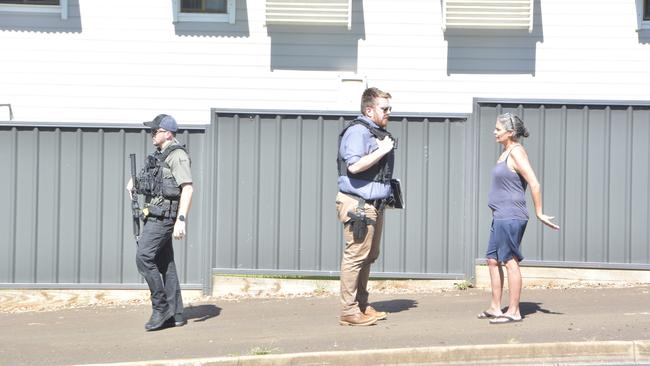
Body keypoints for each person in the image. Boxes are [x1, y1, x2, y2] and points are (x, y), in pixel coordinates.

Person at [478, 112, 560, 324]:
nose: (494, 132)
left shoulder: (516, 152)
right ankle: (496, 307)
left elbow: (534, 183)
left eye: (498, 129)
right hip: (500, 215)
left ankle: (514, 311)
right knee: (492, 260)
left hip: (511, 215)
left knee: (509, 261)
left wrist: (539, 212)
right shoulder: (505, 152)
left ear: (510, 132)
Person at [126, 114, 194, 331]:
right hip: (154, 214)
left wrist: (181, 219)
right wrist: (134, 182)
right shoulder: (160, 154)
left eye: (155, 131)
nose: (152, 134)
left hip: (164, 217)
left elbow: (188, 188)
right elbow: (153, 178)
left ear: (168, 133)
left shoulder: (177, 155)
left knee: (144, 258)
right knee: (166, 264)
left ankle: (161, 307)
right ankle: (177, 313)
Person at [336, 87, 397, 326]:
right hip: (358, 205)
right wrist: (382, 150)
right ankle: (349, 311)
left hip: (373, 205)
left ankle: (361, 305)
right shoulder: (357, 132)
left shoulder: (374, 131)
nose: (389, 112)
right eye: (385, 108)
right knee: (355, 256)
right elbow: (353, 166)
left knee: (368, 255)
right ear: (369, 109)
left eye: (389, 108)